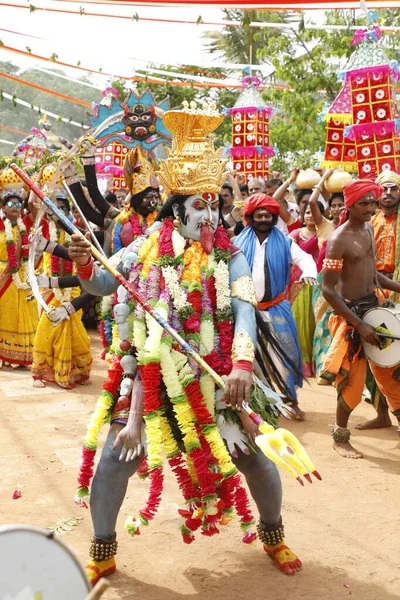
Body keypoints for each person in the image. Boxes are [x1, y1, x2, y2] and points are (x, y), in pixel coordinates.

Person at [69, 102, 302, 585]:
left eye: (215, 203)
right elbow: (102, 287)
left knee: (254, 460)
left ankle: (274, 533)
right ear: (175, 210)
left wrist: (241, 365)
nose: (210, 213)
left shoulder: (231, 255)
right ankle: (102, 549)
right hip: (148, 374)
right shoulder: (143, 247)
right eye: (199, 205)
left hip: (216, 375)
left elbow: (243, 308)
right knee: (114, 461)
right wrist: (83, 267)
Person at [321, 179, 400, 458]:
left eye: (372, 202)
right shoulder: (338, 239)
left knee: (392, 372)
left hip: (375, 309)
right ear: (350, 205)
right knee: (352, 382)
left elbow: (374, 274)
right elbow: (327, 289)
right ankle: (340, 438)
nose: (370, 208)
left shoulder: (368, 229)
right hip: (351, 315)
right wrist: (358, 324)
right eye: (364, 203)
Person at [234, 193, 318, 419]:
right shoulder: (237, 243)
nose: (263, 218)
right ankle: (254, 407)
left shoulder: (285, 241)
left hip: (276, 308)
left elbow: (305, 259)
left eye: (268, 215)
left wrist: (310, 273)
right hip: (246, 311)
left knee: (286, 357)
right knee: (248, 359)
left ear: (273, 217)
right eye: (258, 215)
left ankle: (291, 401)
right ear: (251, 217)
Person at [30, 192, 93, 389]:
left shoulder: (78, 232)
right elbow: (32, 203)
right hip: (50, 288)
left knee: (76, 332)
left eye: (63, 209)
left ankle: (74, 372)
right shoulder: (42, 232)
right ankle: (39, 373)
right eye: (53, 210)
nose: (58, 214)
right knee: (46, 330)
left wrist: (81, 198)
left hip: (73, 289)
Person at [353, 170, 400, 431]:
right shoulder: (369, 224)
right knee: (377, 354)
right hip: (372, 293)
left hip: (398, 290)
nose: (390, 194)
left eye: (394, 188)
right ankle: (383, 414)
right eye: (385, 189)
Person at [308, 170, 345, 384]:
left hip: (343, 282)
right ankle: (322, 369)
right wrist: (323, 178)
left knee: (338, 324)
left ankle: (336, 368)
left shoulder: (351, 228)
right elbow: (313, 200)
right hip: (323, 282)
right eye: (334, 205)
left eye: (341, 205)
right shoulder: (324, 225)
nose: (338, 208)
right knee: (322, 324)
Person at [0, 190, 38, 368]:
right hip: (3, 273)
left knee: (21, 313)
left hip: (22, 275)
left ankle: (20, 355)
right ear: (3, 208)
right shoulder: (0, 225)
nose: (15, 207)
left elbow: (31, 203)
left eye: (17, 204)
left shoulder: (27, 225)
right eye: (10, 204)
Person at [288, 202, 322, 377]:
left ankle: (317, 362)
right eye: (307, 212)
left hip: (319, 284)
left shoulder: (325, 233)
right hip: (298, 283)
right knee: (300, 322)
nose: (310, 215)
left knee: (315, 323)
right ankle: (302, 363)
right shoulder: (295, 234)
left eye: (313, 212)